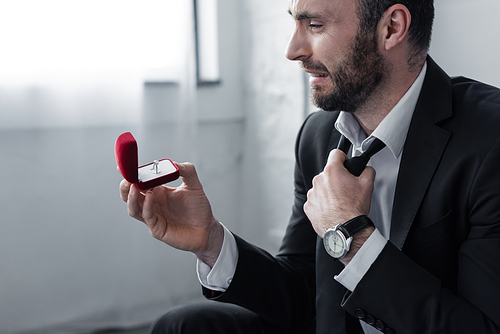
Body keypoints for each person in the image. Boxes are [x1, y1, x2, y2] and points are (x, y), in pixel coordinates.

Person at [119, 0, 500, 333]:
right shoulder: (317, 135)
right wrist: (211, 242)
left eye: (314, 25)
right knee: (183, 326)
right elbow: (305, 294)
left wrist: (350, 235)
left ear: (391, 27)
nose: (292, 49)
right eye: (294, 23)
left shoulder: (490, 141)